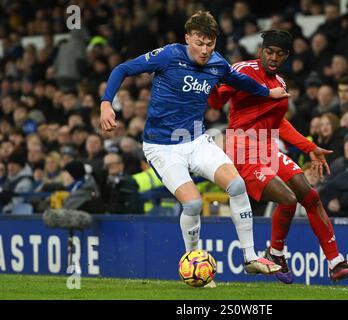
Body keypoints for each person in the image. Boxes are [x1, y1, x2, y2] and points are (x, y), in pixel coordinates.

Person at [100, 11, 289, 276]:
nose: (204, 50)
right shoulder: (168, 55)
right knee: (192, 204)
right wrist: (107, 103)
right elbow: (123, 69)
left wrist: (268, 92)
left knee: (236, 185)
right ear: (187, 37)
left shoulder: (217, 63)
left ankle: (249, 257)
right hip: (162, 146)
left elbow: (240, 81)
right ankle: (193, 261)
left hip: (197, 140)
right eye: (199, 43)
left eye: (209, 44)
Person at [208, 29, 348, 284]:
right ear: (261, 50)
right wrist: (213, 81)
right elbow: (216, 103)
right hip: (242, 150)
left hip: (267, 148)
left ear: (286, 56)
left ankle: (335, 263)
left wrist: (308, 147)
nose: (273, 58)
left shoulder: (280, 84)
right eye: (269, 52)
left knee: (310, 196)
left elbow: (279, 123)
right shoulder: (242, 70)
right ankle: (276, 253)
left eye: (279, 54)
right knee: (288, 199)